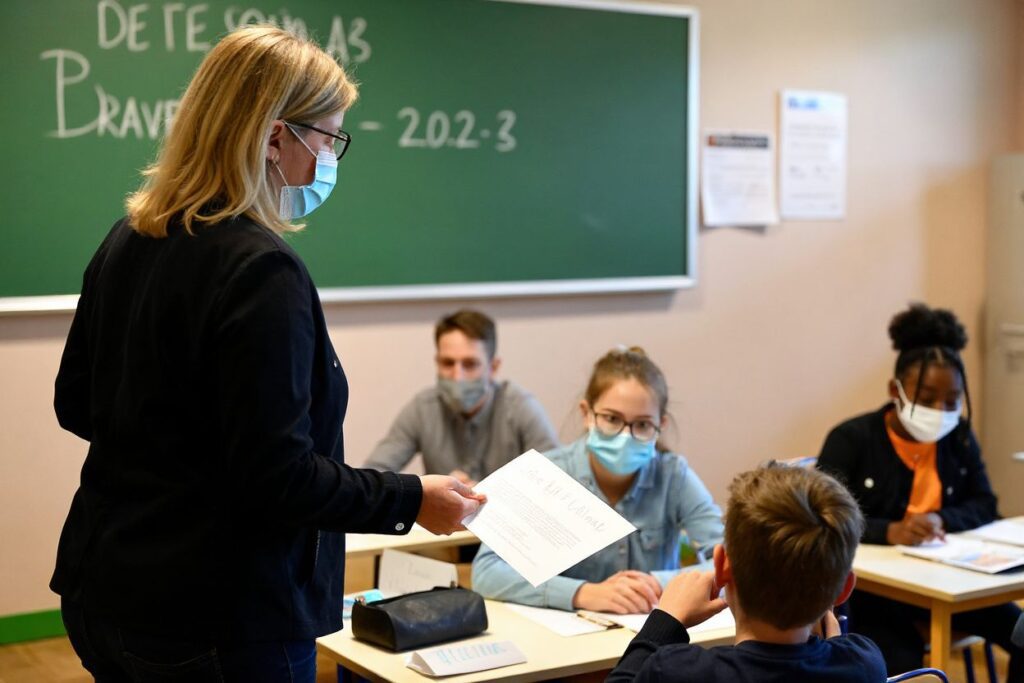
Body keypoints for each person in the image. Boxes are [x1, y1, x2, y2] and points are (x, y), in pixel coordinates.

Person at [52, 26, 483, 683]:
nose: (330, 160)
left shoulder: (128, 239)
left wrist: (177, 461)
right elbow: (279, 476)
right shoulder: (260, 271)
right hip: (219, 620)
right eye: (330, 138)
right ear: (277, 137)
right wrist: (410, 496)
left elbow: (76, 403)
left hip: (106, 591)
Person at [817, 302, 1023, 680]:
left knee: (1023, 635)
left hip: (953, 586)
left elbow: (985, 504)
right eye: (927, 398)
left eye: (952, 400)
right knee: (907, 670)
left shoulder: (958, 437)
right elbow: (821, 516)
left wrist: (941, 518)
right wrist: (888, 530)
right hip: (875, 598)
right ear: (895, 390)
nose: (940, 410)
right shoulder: (852, 438)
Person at [472, 347, 723, 613]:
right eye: (612, 419)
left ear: (660, 424)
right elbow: (486, 572)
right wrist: (580, 593)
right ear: (587, 413)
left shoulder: (674, 475)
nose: (625, 435)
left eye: (642, 425)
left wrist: (655, 583)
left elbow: (730, 563)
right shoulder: (546, 473)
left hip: (654, 633)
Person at [607, 463, 887, 683]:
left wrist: (665, 620)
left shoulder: (675, 671)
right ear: (844, 588)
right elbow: (840, 653)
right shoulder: (864, 663)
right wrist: (831, 633)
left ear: (721, 567)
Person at [365, 309, 558, 486]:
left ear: (493, 368)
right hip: (442, 522)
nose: (458, 376)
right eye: (448, 363)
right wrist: (423, 492)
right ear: (437, 362)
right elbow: (373, 476)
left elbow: (556, 483)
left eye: (470, 364)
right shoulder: (422, 408)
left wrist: (489, 496)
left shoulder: (520, 407)